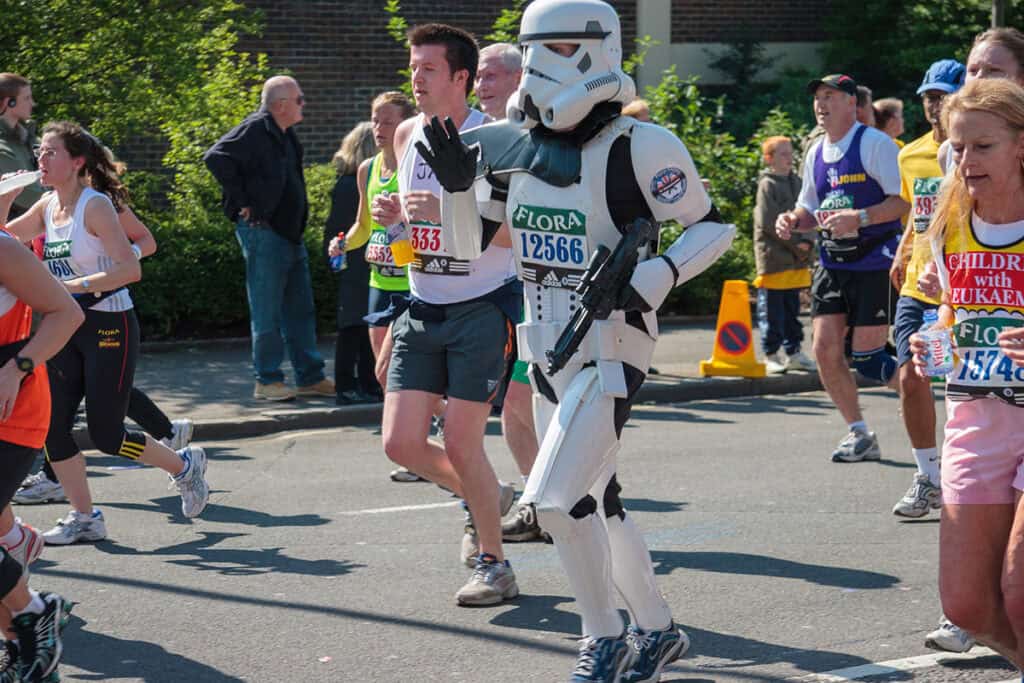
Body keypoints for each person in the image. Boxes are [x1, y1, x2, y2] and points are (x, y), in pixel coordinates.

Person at [418, 1, 735, 678]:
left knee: (556, 500)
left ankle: (604, 637)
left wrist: (661, 269)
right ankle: (658, 629)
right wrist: (455, 190)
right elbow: (467, 244)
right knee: (599, 499)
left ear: (599, 49)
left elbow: (713, 227)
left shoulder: (640, 145)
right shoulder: (512, 146)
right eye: (534, 49)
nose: (539, 67)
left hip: (614, 343)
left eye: (558, 47)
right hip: (544, 350)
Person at [1, 122, 210, 545]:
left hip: (108, 323)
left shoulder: (94, 206)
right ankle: (85, 517)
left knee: (107, 434)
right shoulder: (46, 205)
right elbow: (6, 240)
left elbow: (129, 269)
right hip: (64, 327)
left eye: (50, 153)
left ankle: (183, 466)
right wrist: (4, 198)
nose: (40, 160)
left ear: (77, 162)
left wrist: (69, 287)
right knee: (52, 428)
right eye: (39, 152)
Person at [371, 23, 519, 607]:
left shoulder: (499, 140)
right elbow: (409, 230)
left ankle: (495, 563)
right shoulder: (406, 135)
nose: (416, 78)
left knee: (462, 443)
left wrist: (455, 208)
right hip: (421, 304)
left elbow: (517, 234)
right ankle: (489, 497)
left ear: (462, 77)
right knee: (401, 445)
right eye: (412, 68)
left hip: (481, 308)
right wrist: (394, 222)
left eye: (428, 69)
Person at [909, 77, 1024, 673]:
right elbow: (955, 311)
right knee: (969, 606)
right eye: (958, 146)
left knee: (1020, 591)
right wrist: (938, 333)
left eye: (982, 146)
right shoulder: (949, 211)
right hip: (977, 416)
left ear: (1020, 146)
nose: (965, 159)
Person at [776, 74, 908, 463]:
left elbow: (903, 201)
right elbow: (810, 208)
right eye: (817, 97)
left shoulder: (875, 144)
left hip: (875, 261)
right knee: (824, 349)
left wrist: (861, 217)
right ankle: (859, 433)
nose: (821, 104)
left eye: (830, 96)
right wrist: (791, 220)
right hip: (832, 262)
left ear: (852, 103)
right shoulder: (815, 151)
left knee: (869, 357)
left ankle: (923, 404)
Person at [203, 75, 334, 402]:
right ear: (280, 105)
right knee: (268, 310)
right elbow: (216, 157)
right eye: (299, 99)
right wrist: (243, 201)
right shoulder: (256, 128)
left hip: (288, 233)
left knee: (300, 309)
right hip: (265, 233)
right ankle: (268, 380)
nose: (304, 103)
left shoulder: (284, 134)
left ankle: (309, 377)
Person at [0, 199, 82, 680]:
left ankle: (35, 611)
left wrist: (17, 368)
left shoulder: (4, 249)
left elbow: (65, 313)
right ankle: (31, 649)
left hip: (14, 413)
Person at [890, 60, 964, 521]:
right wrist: (902, 250)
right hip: (919, 284)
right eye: (928, 97)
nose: (934, 105)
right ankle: (928, 475)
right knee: (910, 377)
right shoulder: (909, 155)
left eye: (943, 96)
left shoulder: (978, 151)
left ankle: (968, 474)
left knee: (962, 386)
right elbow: (918, 217)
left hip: (962, 288)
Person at [324, 122, 381, 405]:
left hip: (353, 261)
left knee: (358, 326)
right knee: (355, 328)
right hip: (359, 261)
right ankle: (352, 385)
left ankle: (360, 384)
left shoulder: (345, 183)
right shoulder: (354, 184)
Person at [753, 135, 816, 374]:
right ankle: (771, 353)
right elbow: (768, 223)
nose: (790, 158)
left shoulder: (798, 182)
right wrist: (797, 245)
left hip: (795, 259)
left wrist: (808, 241)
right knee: (771, 309)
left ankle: (794, 351)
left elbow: (810, 211)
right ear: (769, 159)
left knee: (792, 308)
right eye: (783, 154)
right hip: (775, 259)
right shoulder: (767, 185)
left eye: (791, 153)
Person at [0, 74, 43, 220]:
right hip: (12, 228)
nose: (33, 103)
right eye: (27, 98)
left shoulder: (27, 138)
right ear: (9, 102)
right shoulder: (2, 146)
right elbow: (25, 195)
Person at [475, 43, 523, 120]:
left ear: (518, 78)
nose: (481, 86)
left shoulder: (543, 127)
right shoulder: (470, 130)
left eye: (490, 76)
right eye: (477, 78)